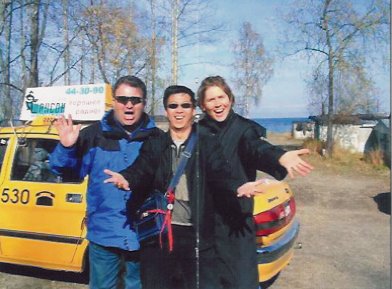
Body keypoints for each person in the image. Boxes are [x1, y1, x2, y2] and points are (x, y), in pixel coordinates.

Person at [103, 85, 261, 289]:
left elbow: (220, 173)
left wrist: (237, 187)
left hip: (196, 235)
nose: (179, 110)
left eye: (185, 105)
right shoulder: (156, 142)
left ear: (194, 110)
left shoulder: (207, 142)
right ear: (166, 110)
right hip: (161, 234)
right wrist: (127, 178)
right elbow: (141, 168)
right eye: (173, 105)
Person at [197, 75, 314, 289]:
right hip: (204, 221)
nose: (218, 104)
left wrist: (279, 156)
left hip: (237, 220)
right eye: (211, 100)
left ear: (230, 99)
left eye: (221, 97)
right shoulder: (198, 132)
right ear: (203, 105)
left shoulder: (243, 128)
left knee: (242, 281)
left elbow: (257, 147)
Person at [49, 75, 162, 289]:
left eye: (135, 100)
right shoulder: (93, 135)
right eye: (122, 99)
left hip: (143, 234)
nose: (129, 106)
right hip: (104, 233)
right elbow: (66, 172)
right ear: (113, 102)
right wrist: (66, 148)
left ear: (144, 103)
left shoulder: (157, 138)